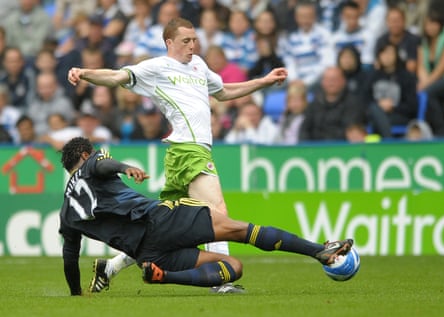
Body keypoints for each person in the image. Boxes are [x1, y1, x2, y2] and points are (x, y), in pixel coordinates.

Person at [67, 17, 288, 294]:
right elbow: (116, 76)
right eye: (185, 41)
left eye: (194, 40)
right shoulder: (157, 67)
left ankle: (109, 267)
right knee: (217, 211)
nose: (192, 46)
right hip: (188, 150)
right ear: (169, 43)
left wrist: (263, 82)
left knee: (161, 233)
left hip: (185, 154)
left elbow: (223, 92)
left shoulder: (199, 66)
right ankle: (222, 282)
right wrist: (84, 72)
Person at [59, 136, 354, 296]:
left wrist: (76, 294)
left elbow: (70, 257)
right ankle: (320, 252)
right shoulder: (93, 161)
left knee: (233, 266)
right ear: (84, 155)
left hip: (147, 253)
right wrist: (125, 168)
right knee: (241, 231)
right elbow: (103, 167)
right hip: (160, 220)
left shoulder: (66, 214)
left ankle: (165, 277)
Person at [299, 66, 365, 141]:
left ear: (343, 81)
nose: (331, 83)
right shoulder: (314, 104)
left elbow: (351, 131)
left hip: (341, 148)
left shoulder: (353, 103)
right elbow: (304, 130)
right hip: (315, 148)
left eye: (334, 79)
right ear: (322, 82)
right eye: (328, 80)